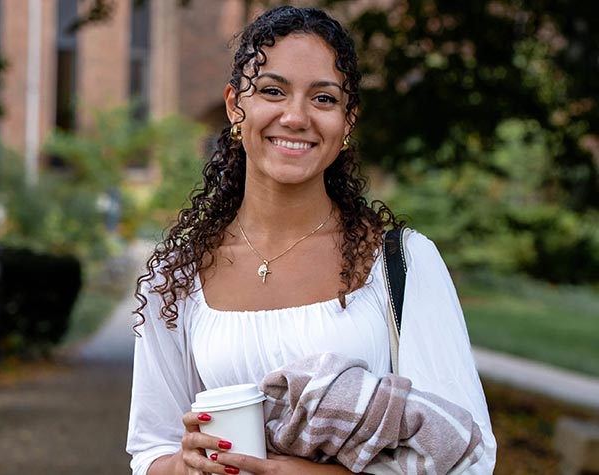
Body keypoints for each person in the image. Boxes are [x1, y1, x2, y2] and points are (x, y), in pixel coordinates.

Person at [126, 6, 496, 475]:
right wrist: (187, 465)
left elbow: (471, 455)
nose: (296, 116)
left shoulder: (399, 263)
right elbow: (149, 450)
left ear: (348, 120)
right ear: (234, 106)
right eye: (272, 91)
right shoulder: (176, 276)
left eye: (323, 99)